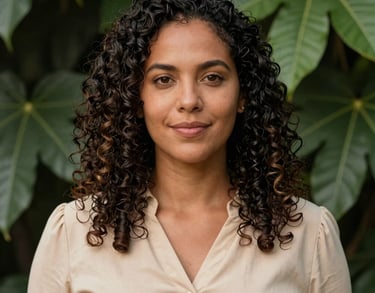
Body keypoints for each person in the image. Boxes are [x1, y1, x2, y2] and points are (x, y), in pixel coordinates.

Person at [27, 0, 352, 292]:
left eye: (212, 77)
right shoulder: (72, 233)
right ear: (136, 98)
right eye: (163, 80)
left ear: (243, 95)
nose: (189, 101)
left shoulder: (310, 234)